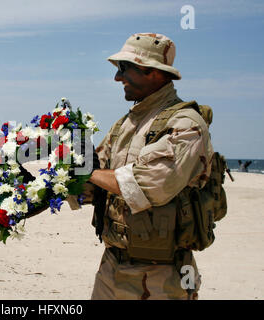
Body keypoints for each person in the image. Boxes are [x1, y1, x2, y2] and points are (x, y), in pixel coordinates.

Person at [79, 33, 214, 299]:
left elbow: (148, 186)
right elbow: (92, 186)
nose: (118, 78)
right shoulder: (125, 124)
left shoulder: (186, 124)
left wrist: (88, 171)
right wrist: (52, 174)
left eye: (124, 68)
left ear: (152, 71)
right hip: (112, 268)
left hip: (163, 276)